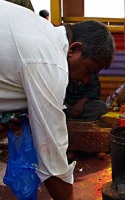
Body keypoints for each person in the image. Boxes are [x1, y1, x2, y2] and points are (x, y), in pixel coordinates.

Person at [0, 1, 115, 199]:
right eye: (88, 70)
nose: (85, 79)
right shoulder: (51, 62)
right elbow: (52, 157)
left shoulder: (41, 30)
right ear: (74, 49)